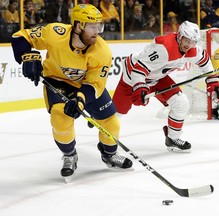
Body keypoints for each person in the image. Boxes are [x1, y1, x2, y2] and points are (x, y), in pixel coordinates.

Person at [11, 4, 133, 182]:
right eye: (92, 26)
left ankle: (109, 155)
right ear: (77, 26)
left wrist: (80, 100)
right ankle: (69, 155)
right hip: (57, 81)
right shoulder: (55, 33)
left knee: (111, 122)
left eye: (99, 26)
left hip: (85, 86)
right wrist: (27, 56)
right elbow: (20, 36)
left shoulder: (102, 51)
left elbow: (95, 84)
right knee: (61, 118)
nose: (97, 31)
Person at [112, 21, 214, 153]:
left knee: (181, 102)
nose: (189, 45)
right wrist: (139, 87)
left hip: (157, 77)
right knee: (116, 113)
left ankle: (172, 138)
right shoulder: (164, 48)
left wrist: (213, 78)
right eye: (186, 40)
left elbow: (205, 60)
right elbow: (139, 68)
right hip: (133, 76)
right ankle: (104, 131)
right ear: (180, 36)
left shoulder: (193, 49)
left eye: (193, 41)